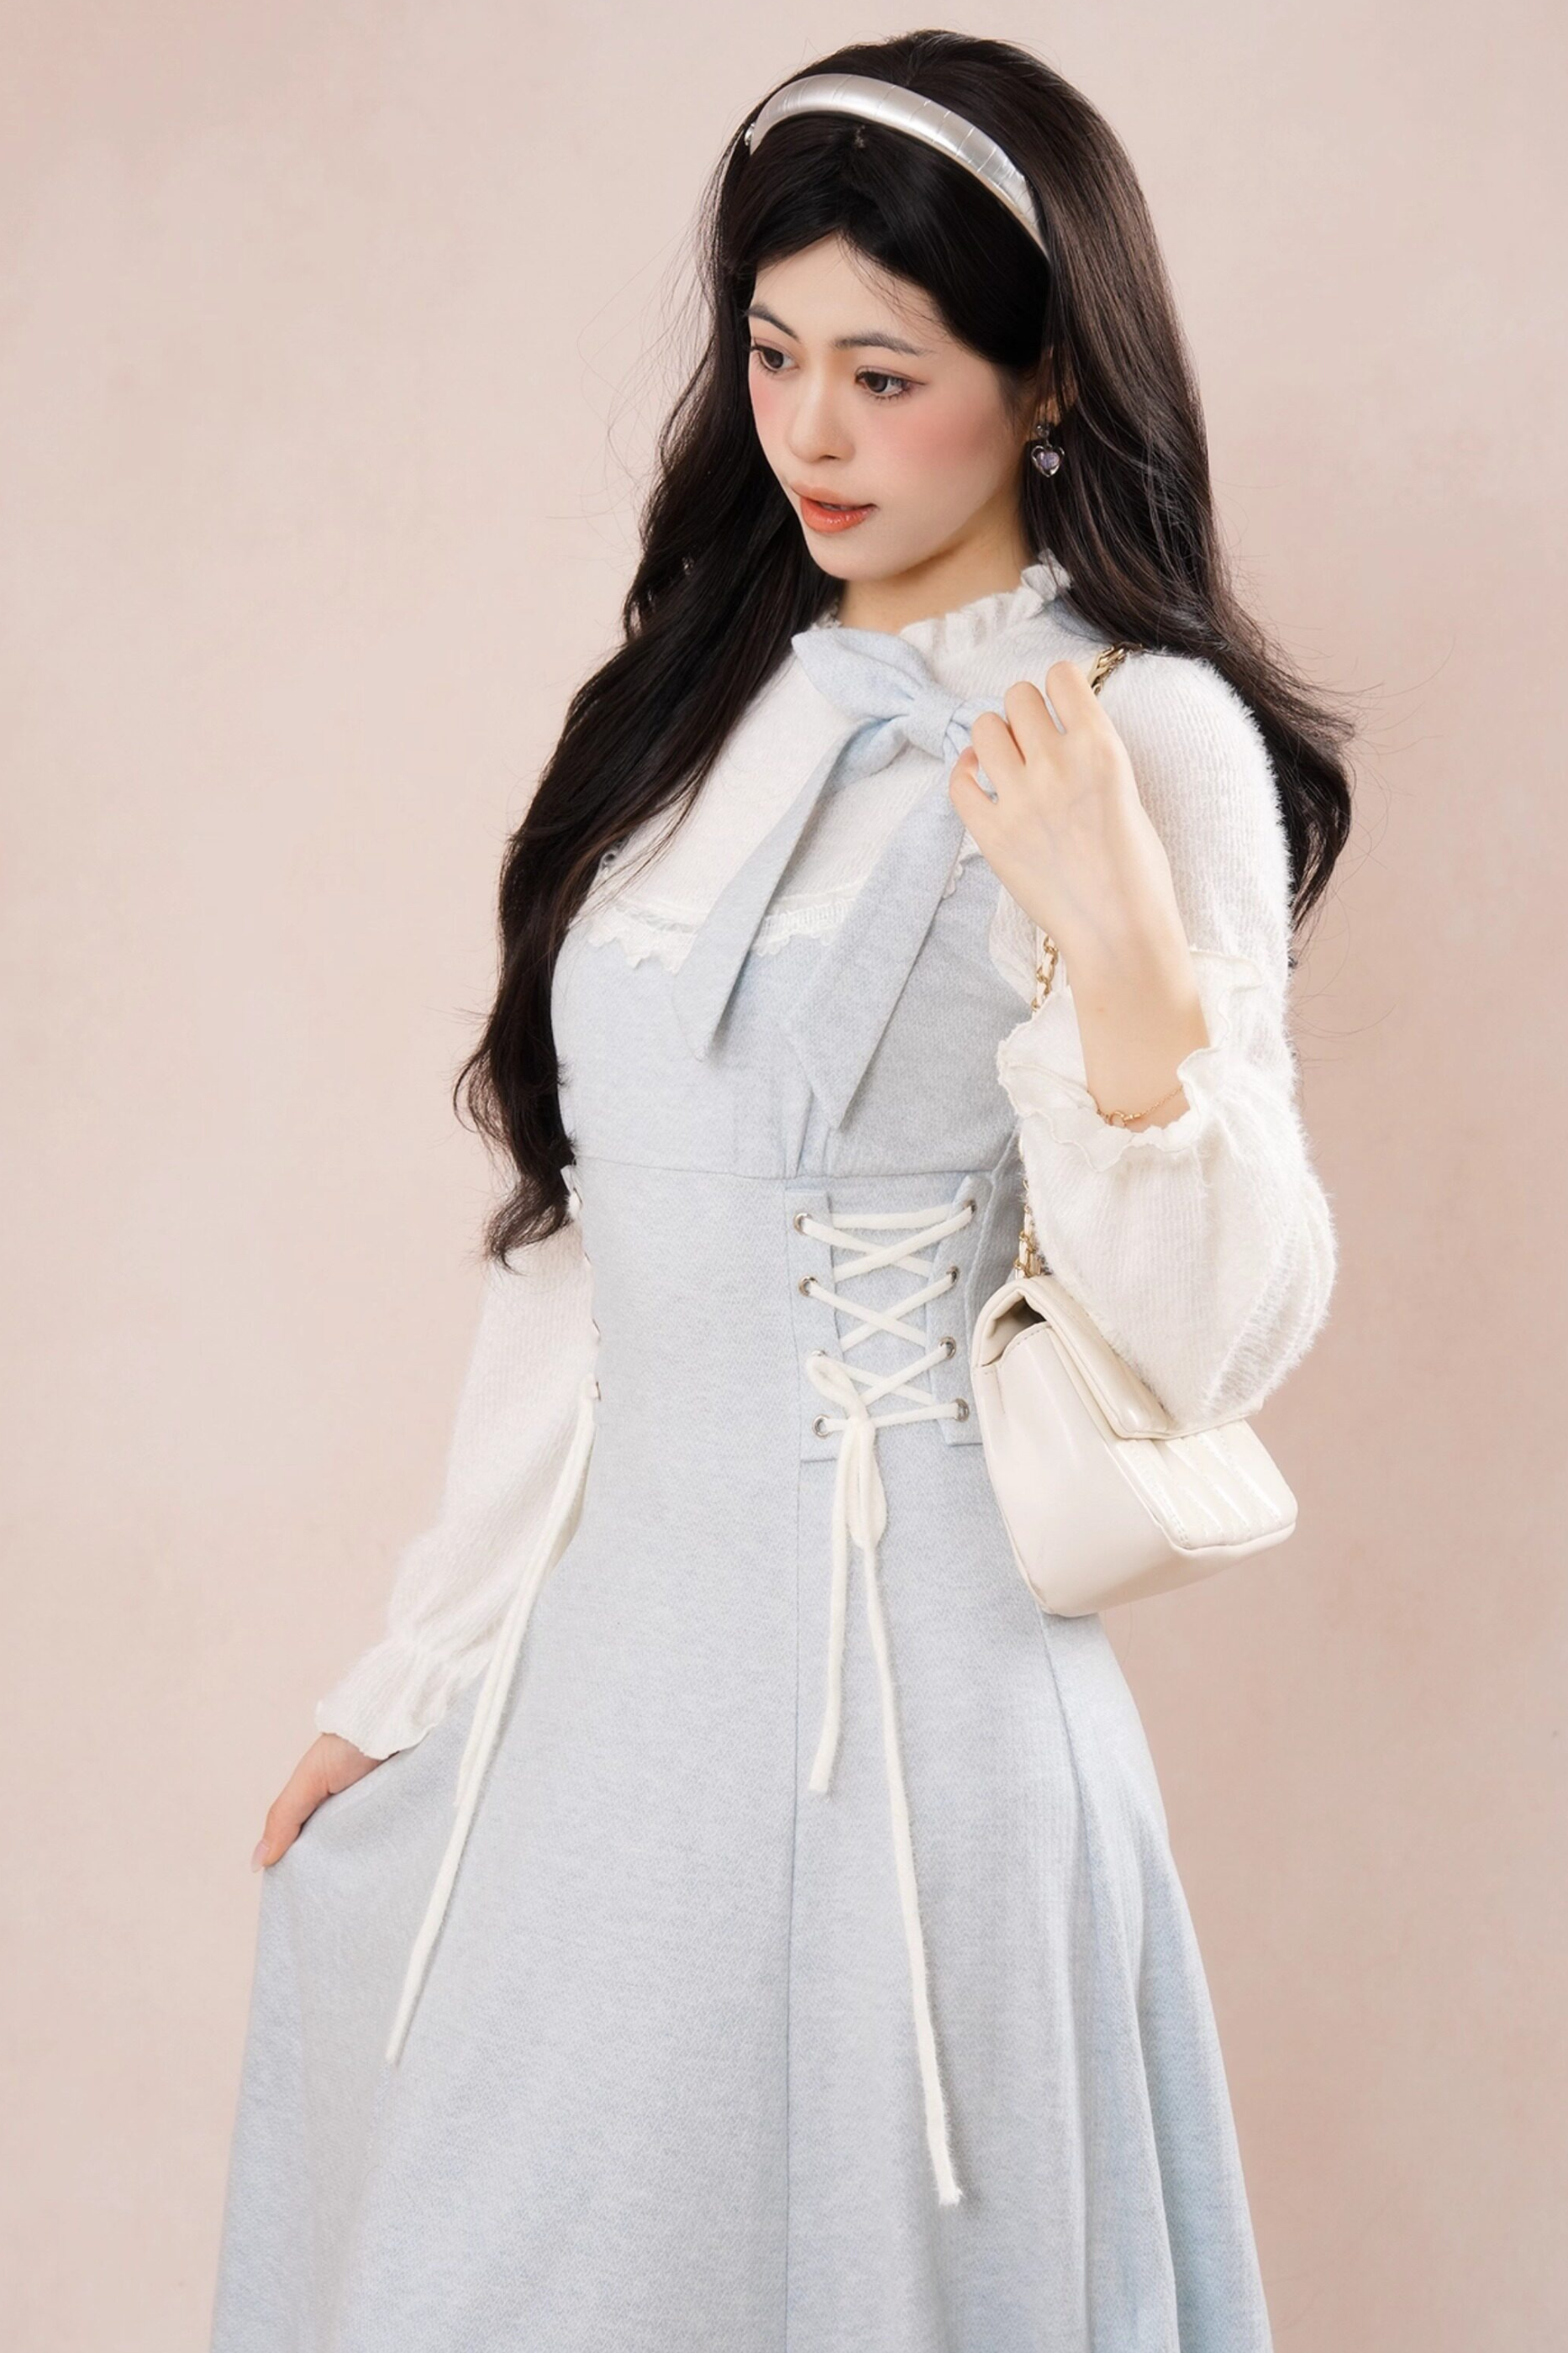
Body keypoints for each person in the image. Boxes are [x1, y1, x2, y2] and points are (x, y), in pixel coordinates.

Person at [209, 32, 1349, 2351]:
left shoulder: (1148, 739)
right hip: (609, 1680)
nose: (810, 433)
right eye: (771, 354)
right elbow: (582, 1260)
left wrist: (1125, 952)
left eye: (884, 374)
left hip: (925, 1715)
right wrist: (419, 1669)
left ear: (1048, 384)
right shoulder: (699, 702)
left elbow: (1220, 1334)